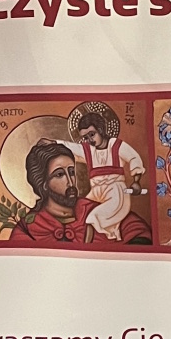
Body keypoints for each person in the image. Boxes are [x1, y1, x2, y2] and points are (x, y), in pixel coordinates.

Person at [9, 139, 151, 247]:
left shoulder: (94, 209)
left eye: (71, 172)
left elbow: (136, 229)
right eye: (59, 175)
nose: (71, 182)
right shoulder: (28, 228)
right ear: (44, 184)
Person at [66, 100, 144, 243]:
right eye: (85, 137)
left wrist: (136, 181)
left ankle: (86, 249)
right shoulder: (88, 150)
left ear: (101, 130)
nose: (89, 140)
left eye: (92, 134)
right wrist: (53, 143)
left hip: (116, 192)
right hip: (96, 192)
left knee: (92, 218)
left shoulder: (115, 145)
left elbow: (134, 158)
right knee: (80, 209)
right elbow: (69, 147)